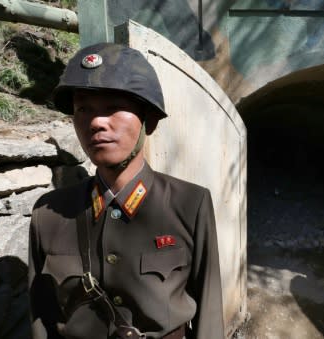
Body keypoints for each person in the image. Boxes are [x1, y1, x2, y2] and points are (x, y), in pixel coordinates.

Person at [28, 43, 225, 339]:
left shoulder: (189, 204)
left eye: (113, 108)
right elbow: (39, 318)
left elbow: (209, 314)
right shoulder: (48, 214)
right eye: (83, 109)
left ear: (150, 120)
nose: (96, 122)